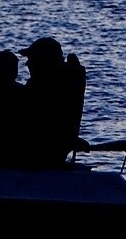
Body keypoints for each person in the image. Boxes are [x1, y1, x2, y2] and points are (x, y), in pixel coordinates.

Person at [18, 36, 86, 169]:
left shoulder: (38, 88)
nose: (27, 64)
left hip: (36, 155)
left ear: (44, 62)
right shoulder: (66, 83)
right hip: (51, 152)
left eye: (31, 59)